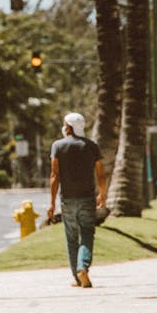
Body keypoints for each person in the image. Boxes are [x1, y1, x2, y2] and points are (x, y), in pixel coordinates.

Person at [47, 112, 107, 288]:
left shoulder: (57, 146)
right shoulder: (91, 146)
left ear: (69, 127)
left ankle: (77, 276)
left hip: (67, 200)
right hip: (88, 199)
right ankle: (83, 267)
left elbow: (54, 176)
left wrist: (51, 203)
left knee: (71, 238)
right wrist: (102, 194)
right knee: (87, 234)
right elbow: (101, 174)